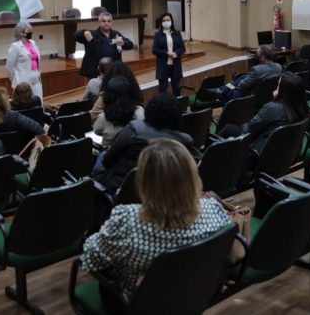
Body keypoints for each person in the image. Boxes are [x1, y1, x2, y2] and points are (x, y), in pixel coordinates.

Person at [81, 139, 231, 299]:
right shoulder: (215, 210)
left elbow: (91, 259)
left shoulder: (127, 220)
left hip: (135, 304)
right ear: (193, 175)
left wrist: (102, 233)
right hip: (191, 297)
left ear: (143, 181)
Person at [93, 93, 196, 193]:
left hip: (125, 189)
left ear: (150, 110)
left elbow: (107, 161)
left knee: (102, 156)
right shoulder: (185, 141)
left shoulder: (133, 130)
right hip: (162, 192)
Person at [218, 72, 309, 154]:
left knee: (228, 128)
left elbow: (248, 130)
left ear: (283, 91)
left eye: (278, 86)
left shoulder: (272, 107)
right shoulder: (303, 108)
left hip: (260, 156)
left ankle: (209, 159)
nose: (276, 88)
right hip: (289, 154)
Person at [209, 45, 282, 102]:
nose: (256, 55)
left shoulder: (256, 70)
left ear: (262, 57)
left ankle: (222, 91)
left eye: (257, 54)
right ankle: (222, 89)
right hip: (269, 97)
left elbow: (242, 86)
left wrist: (240, 82)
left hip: (253, 98)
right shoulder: (279, 67)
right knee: (242, 76)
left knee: (234, 88)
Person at [75, 12, 134, 78]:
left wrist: (124, 43)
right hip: (96, 72)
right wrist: (84, 32)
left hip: (113, 71)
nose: (106, 23)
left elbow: (130, 45)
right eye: (104, 21)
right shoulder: (92, 34)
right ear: (99, 23)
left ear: (111, 23)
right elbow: (76, 36)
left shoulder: (116, 34)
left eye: (109, 21)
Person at [93, 76, 145, 148]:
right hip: (135, 153)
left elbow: (97, 131)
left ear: (108, 96)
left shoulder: (102, 117)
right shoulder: (139, 111)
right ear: (129, 94)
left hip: (110, 154)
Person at [6, 21, 43, 98]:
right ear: (21, 33)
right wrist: (16, 78)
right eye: (28, 31)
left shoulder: (32, 43)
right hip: (23, 81)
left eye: (31, 30)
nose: (30, 32)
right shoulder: (15, 46)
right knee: (26, 104)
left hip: (36, 79)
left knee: (39, 103)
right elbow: (9, 67)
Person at [152, 12, 186, 95]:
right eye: (164, 21)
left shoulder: (177, 33)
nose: (166, 22)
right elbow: (154, 50)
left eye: (168, 20)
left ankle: (177, 107)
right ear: (161, 23)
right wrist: (166, 53)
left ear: (171, 21)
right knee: (162, 90)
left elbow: (182, 48)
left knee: (176, 90)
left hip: (175, 65)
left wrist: (176, 53)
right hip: (163, 66)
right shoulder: (157, 35)